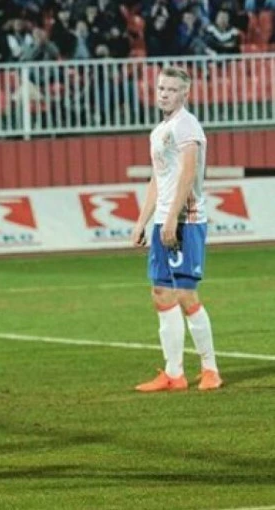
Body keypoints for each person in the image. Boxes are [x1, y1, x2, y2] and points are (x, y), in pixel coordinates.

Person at [130, 67, 222, 393]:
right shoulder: (159, 131)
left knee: (185, 293)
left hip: (186, 220)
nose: (164, 94)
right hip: (163, 220)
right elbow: (158, 178)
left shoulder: (187, 125)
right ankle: (174, 374)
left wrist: (172, 218)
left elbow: (188, 173)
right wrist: (143, 220)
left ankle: (210, 369)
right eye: (161, 88)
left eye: (171, 89)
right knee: (161, 292)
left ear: (185, 93)